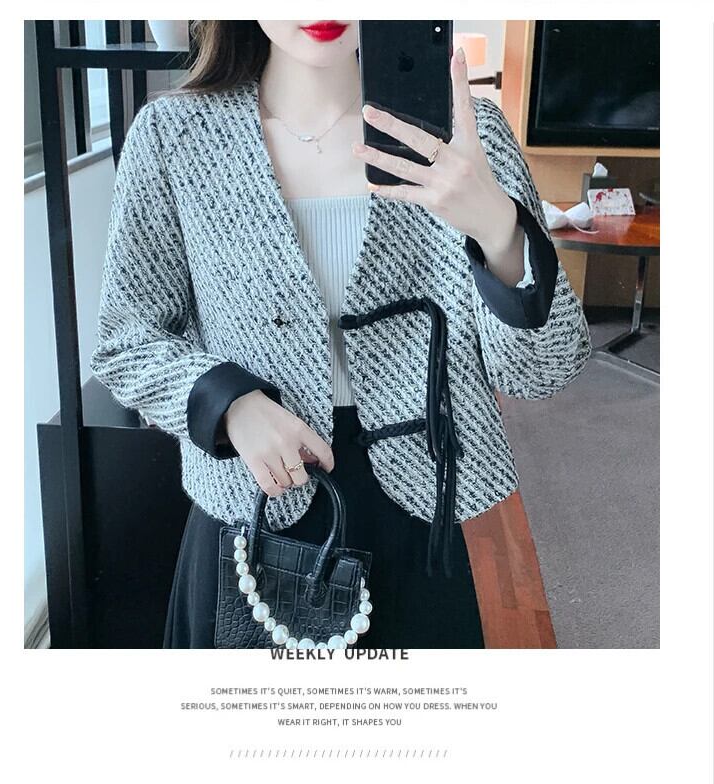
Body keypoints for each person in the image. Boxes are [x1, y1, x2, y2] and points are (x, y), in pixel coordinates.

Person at [90, 20, 591, 649]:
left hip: (420, 509)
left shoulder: (469, 136)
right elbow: (124, 338)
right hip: (252, 501)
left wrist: (499, 229)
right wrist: (227, 403)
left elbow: (543, 371)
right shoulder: (175, 136)